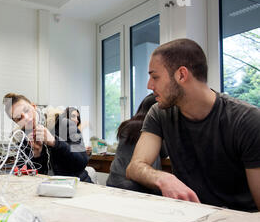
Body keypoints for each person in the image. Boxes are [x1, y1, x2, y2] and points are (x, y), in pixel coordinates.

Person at [126, 38, 260, 212]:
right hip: (188, 217)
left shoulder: (247, 120)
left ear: (181, 75)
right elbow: (135, 166)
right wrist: (163, 178)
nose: (149, 85)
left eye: (155, 77)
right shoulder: (159, 113)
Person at [3, 93, 91, 182]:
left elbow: (82, 162)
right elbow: (31, 178)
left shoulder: (64, 124)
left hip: (79, 185)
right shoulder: (22, 140)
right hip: (47, 190)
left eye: (26, 110)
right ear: (16, 122)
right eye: (19, 118)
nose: (26, 118)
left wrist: (54, 142)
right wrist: (37, 154)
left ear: (33, 106)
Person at [106, 93, 164, 194]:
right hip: (137, 187)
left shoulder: (126, 125)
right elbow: (164, 153)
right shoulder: (152, 128)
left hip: (114, 182)